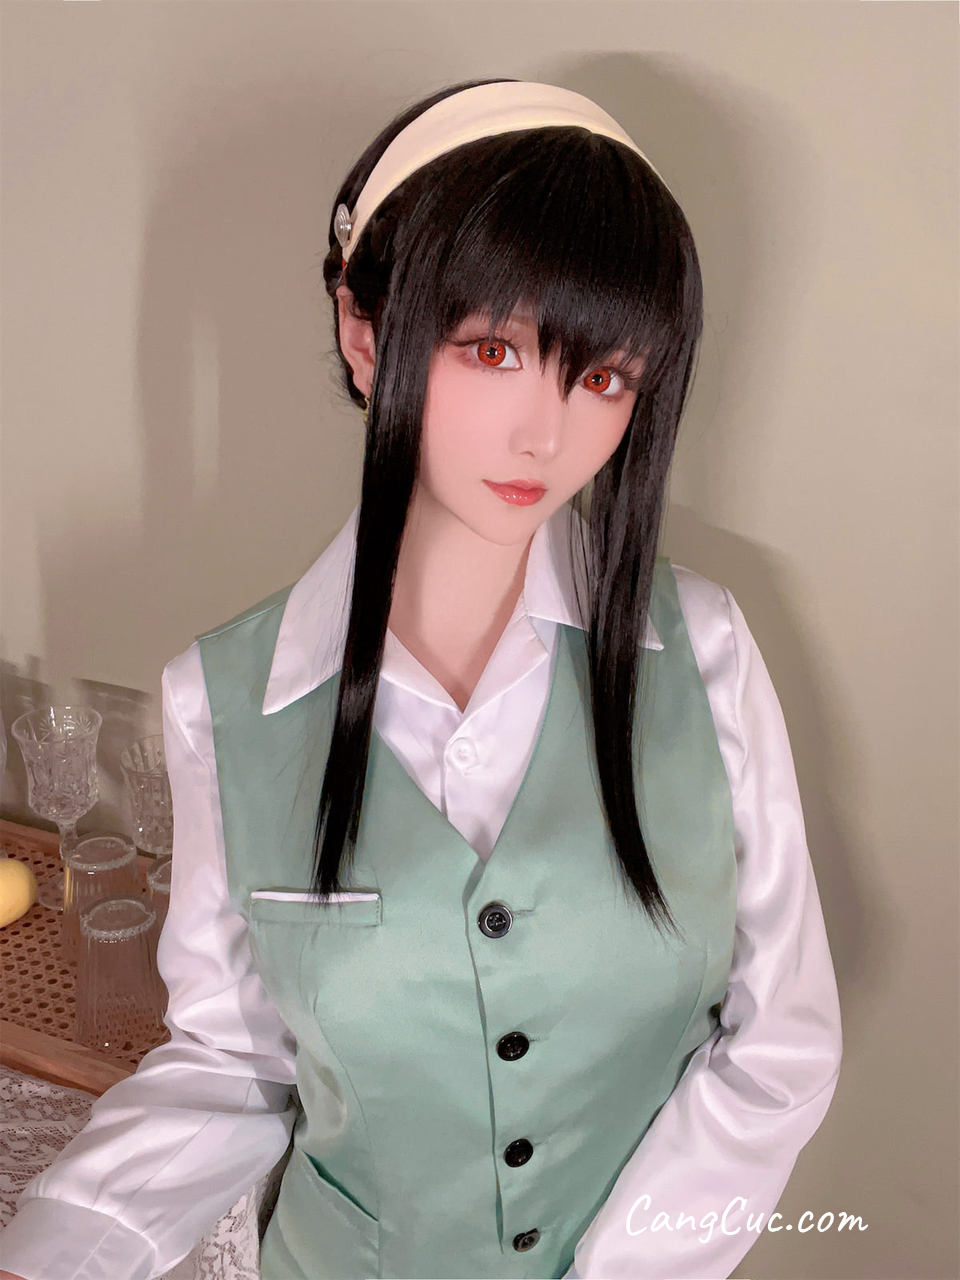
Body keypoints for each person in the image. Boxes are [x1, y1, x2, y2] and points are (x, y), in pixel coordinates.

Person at [0, 78, 842, 1280]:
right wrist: (59, 1251)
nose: (546, 432)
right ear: (363, 330)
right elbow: (236, 1063)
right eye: (493, 350)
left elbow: (779, 1048)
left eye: (603, 376)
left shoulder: (704, 654)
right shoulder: (221, 701)